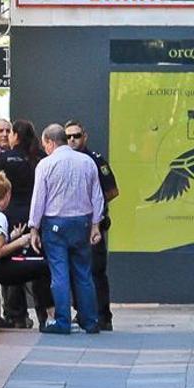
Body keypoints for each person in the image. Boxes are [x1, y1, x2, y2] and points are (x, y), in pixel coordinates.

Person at [28, 123, 104, 334]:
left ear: (51, 142)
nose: (44, 149)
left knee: (59, 274)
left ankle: (62, 321)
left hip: (55, 225)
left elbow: (38, 200)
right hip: (82, 222)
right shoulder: (87, 162)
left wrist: (33, 228)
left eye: (45, 145)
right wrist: (96, 225)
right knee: (83, 273)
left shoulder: (45, 165)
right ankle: (90, 320)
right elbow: (97, 196)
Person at [0, 171, 54, 326]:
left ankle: (21, 314)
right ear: (8, 194)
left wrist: (12, 236)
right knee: (43, 268)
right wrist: (21, 241)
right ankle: (51, 316)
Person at [65, 120, 118, 331]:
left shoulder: (95, 160)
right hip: (74, 224)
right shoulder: (63, 161)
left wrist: (94, 205)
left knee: (96, 271)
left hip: (93, 224)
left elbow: (112, 190)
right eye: (68, 137)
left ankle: (103, 315)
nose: (72, 140)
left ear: (84, 136)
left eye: (76, 136)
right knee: (75, 271)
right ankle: (83, 311)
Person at [0, 119, 46, 328]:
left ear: (16, 135)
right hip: (35, 216)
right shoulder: (39, 158)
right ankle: (44, 313)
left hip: (11, 217)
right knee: (39, 266)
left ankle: (16, 314)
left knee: (12, 264)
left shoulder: (6, 158)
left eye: (10, 132)